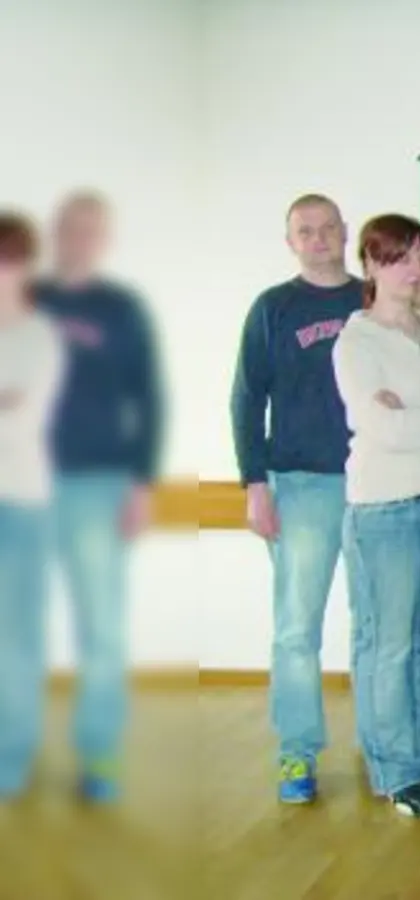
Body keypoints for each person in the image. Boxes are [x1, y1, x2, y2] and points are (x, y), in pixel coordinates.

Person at [332, 214, 420, 818]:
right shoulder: (356, 341)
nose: (412, 271)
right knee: (387, 646)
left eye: (419, 257)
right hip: (383, 511)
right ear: (370, 266)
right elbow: (382, 429)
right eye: (397, 259)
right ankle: (394, 769)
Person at [229, 193, 365, 804]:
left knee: (379, 627)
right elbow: (245, 400)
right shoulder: (273, 308)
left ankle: (383, 747)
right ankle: (297, 754)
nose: (317, 239)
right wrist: (255, 484)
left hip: (375, 486)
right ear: (291, 242)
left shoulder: (372, 300)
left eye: (327, 228)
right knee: (295, 631)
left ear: (345, 231)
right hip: (300, 484)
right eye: (304, 231)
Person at [32, 191, 165, 803]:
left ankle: (99, 755)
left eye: (91, 229)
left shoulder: (121, 308)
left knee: (102, 629)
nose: (78, 238)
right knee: (14, 628)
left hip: (98, 483)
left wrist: (140, 483)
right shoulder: (25, 298)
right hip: (20, 488)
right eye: (69, 227)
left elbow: (149, 396)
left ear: (103, 238)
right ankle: (13, 754)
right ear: (53, 232)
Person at [0, 211, 67, 802]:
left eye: (11, 260)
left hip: (21, 504)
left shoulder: (40, 336)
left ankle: (11, 761)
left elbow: (23, 419)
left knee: (17, 637)